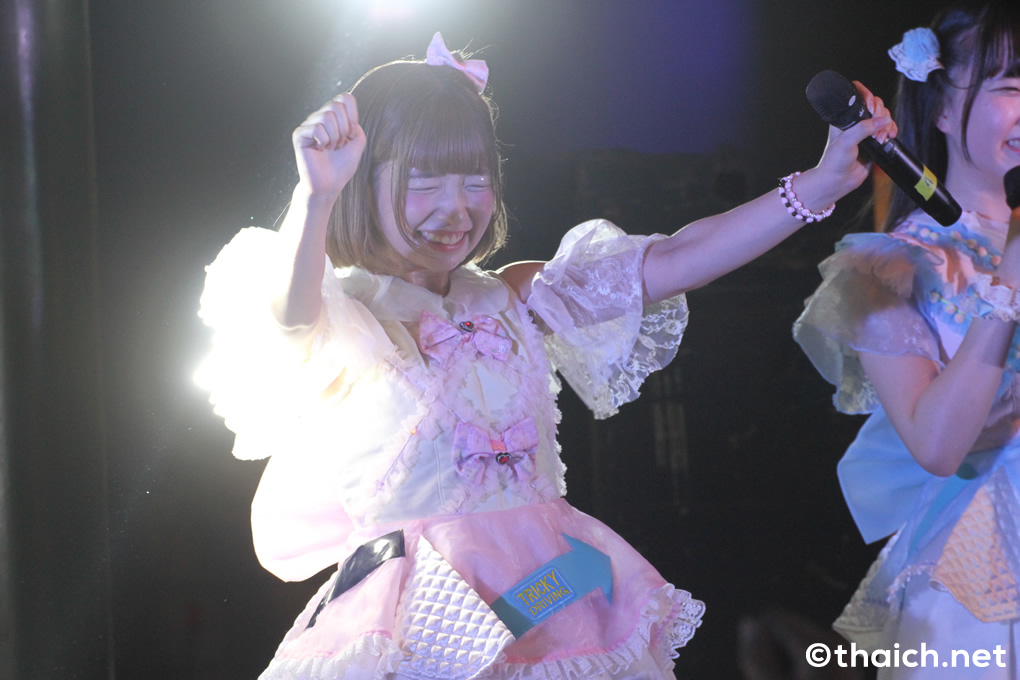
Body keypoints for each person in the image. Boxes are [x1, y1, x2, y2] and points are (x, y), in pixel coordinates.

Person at [198, 33, 891, 680]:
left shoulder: (514, 295)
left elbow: (675, 259)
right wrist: (316, 197)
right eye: (424, 180)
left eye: (475, 179)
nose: (456, 207)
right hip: (425, 617)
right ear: (358, 179)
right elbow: (291, 316)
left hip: (557, 600)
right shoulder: (343, 315)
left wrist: (821, 183)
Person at [794, 3, 1020, 677]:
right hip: (977, 583)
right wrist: (1008, 281)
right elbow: (936, 444)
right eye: (1012, 88)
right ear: (943, 107)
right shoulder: (888, 268)